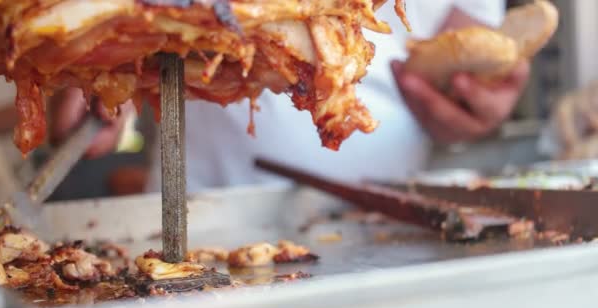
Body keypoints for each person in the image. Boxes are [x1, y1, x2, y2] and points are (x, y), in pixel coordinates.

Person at [50, 0, 530, 194]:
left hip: (383, 213)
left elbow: (462, 59)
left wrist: (471, 108)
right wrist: (98, 73)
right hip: (198, 201)